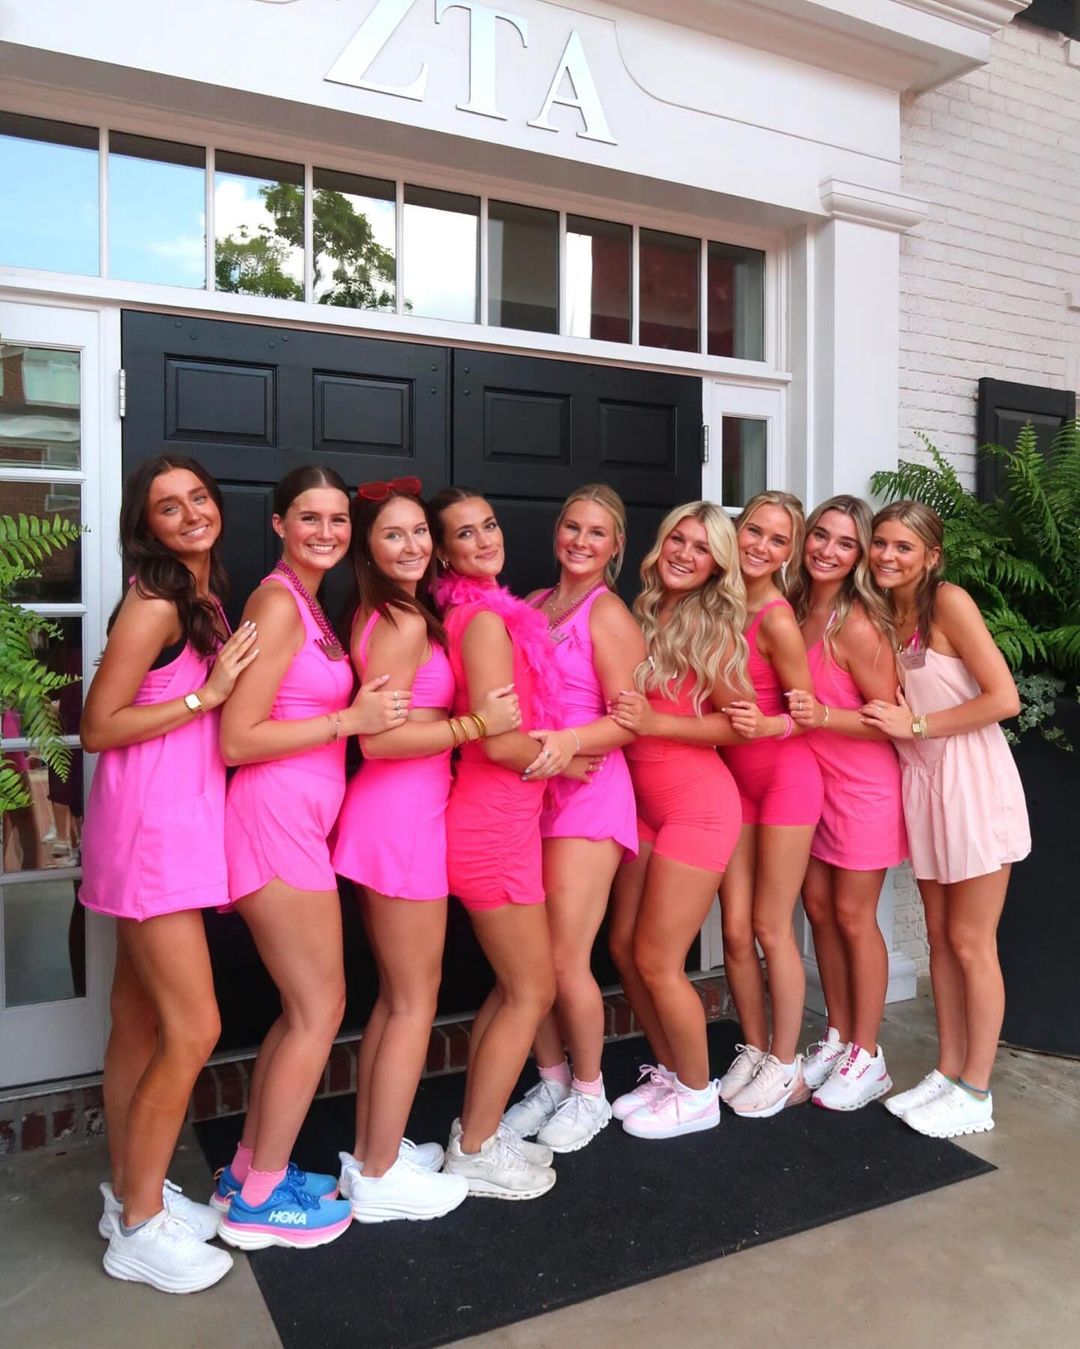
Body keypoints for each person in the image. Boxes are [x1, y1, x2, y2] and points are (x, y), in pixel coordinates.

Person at [215, 466, 407, 1250]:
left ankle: (245, 1171)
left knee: (305, 1008)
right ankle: (261, 1201)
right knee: (321, 1008)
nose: (326, 531)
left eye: (337, 519)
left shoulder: (309, 603)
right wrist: (347, 722)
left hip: (298, 821)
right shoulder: (275, 602)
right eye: (309, 517)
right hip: (274, 820)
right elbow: (237, 737)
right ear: (278, 524)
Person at [80, 455, 258, 1293]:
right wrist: (204, 697)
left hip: (167, 824)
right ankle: (141, 1227)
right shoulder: (154, 603)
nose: (190, 513)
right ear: (144, 525)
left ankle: (128, 1191)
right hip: (150, 832)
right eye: (167, 506)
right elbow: (97, 726)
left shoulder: (200, 595)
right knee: (193, 1028)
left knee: (138, 1018)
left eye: (198, 496)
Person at [330, 477, 519, 1222]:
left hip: (398, 814)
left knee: (396, 997)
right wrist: (474, 726)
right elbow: (377, 741)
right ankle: (379, 1176)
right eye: (393, 534)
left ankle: (371, 1152)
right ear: (368, 548)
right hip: (400, 817)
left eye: (418, 532)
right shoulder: (404, 620)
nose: (410, 546)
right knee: (414, 1001)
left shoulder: (388, 611)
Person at [429, 487, 596, 1199]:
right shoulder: (483, 622)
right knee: (532, 989)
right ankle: (473, 1148)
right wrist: (564, 757)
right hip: (492, 824)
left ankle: (480, 1129)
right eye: (465, 534)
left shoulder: (492, 613)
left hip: (509, 822)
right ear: (444, 555)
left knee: (513, 985)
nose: (485, 539)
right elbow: (497, 742)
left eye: (489, 525)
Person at [862, 500, 1029, 1138]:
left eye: (903, 546)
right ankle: (949, 1071)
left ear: (932, 556)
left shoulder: (949, 602)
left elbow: (1005, 698)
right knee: (938, 938)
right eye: (880, 543)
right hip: (926, 785)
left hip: (972, 782)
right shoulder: (887, 612)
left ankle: (976, 1091)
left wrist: (917, 724)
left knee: (970, 941)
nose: (887, 556)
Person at [501, 485, 644, 1153]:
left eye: (597, 532)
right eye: (572, 527)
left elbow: (631, 719)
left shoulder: (607, 612)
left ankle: (591, 1092)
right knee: (527, 961)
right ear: (557, 531)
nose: (581, 541)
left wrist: (569, 743)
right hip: (532, 793)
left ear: (616, 546)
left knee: (563, 958)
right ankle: (553, 1079)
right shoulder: (531, 603)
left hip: (588, 793)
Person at [607, 502, 747, 1140]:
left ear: (717, 564)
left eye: (701, 547)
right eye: (678, 540)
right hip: (641, 805)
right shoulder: (639, 612)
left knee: (659, 959)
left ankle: (698, 1093)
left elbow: (737, 724)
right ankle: (671, 1072)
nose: (685, 554)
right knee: (624, 949)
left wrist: (656, 722)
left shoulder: (713, 627)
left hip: (697, 806)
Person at [785, 495, 908, 1109]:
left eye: (845, 543)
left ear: (859, 556)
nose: (827, 551)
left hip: (862, 788)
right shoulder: (796, 609)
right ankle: (837, 1037)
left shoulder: (857, 624)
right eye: (820, 536)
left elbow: (890, 719)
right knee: (818, 909)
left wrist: (826, 715)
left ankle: (868, 1053)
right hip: (812, 784)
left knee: (855, 917)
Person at [717, 490, 824, 1119]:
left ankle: (787, 1065)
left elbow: (804, 712)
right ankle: (755, 1049)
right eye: (754, 530)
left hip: (785, 778)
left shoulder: (777, 619)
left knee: (769, 926)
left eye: (778, 539)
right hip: (732, 782)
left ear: (789, 553)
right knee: (734, 929)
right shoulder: (714, 602)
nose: (761, 545)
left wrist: (767, 726)